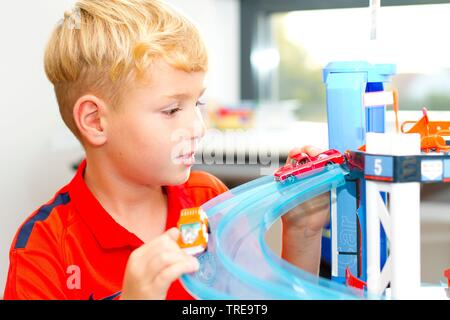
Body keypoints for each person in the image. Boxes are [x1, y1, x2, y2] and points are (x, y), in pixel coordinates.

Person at [4, 0, 329, 300]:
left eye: (197, 102)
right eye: (172, 110)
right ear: (96, 121)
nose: (199, 127)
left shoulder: (209, 202)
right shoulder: (43, 247)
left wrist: (302, 235)